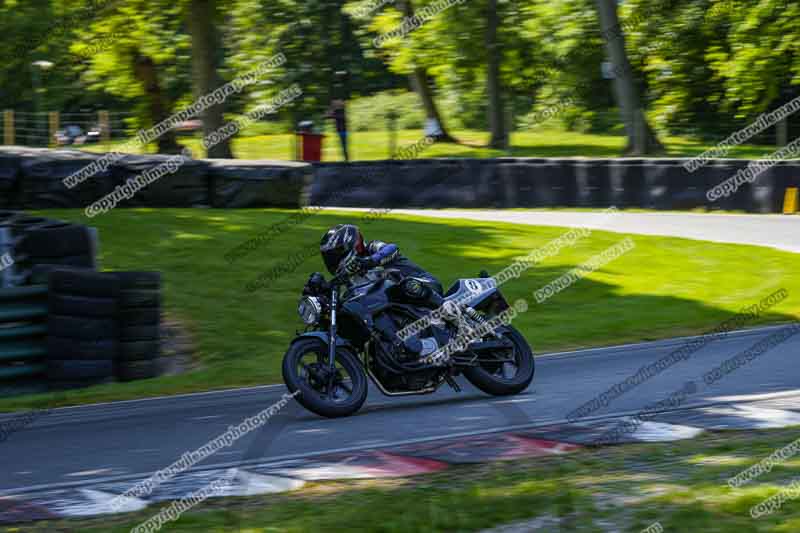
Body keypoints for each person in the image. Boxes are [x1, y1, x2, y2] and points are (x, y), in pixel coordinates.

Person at [319, 224, 451, 361]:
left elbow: (392, 248)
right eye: (328, 257)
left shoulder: (372, 248)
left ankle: (450, 311)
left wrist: (370, 261)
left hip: (423, 284)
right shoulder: (350, 280)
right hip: (400, 305)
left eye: (333, 256)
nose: (331, 261)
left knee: (407, 285)